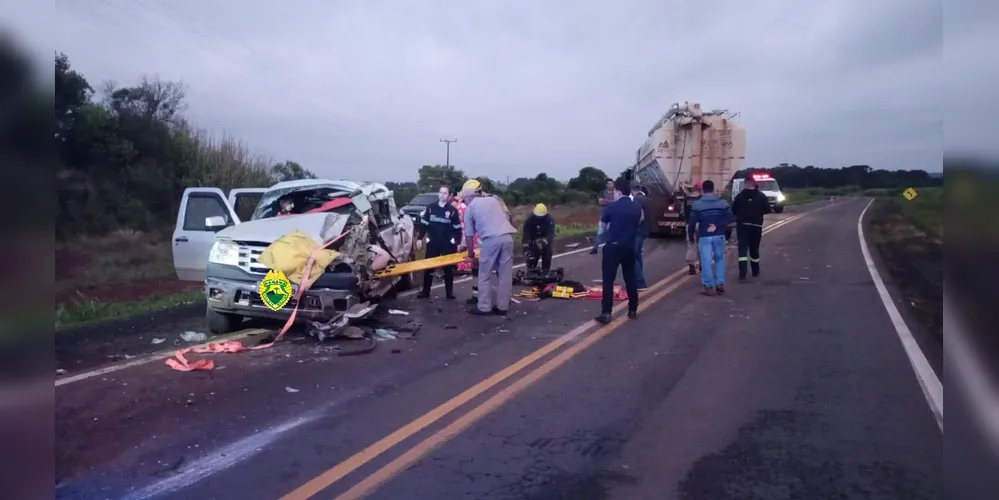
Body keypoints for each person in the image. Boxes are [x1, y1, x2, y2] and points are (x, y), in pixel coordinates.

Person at [461, 179, 517, 316]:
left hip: (490, 240)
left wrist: (470, 255)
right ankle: (502, 307)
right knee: (504, 275)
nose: (465, 202)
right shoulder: (494, 200)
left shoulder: (471, 208)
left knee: (484, 275)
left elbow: (469, 235)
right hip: (508, 238)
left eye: (464, 199)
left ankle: (484, 307)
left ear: (468, 196)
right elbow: (508, 217)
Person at [594, 179, 642, 324]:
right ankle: (633, 309)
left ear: (618, 192)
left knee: (608, 280)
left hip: (613, 247)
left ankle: (606, 312)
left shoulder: (612, 207)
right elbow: (640, 221)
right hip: (629, 246)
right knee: (630, 278)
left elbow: (602, 226)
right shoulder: (636, 207)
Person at [687, 179, 733, 296]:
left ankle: (708, 286)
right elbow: (730, 218)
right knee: (719, 259)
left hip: (704, 236)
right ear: (713, 190)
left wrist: (691, 237)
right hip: (719, 235)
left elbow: (692, 223)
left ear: (702, 190)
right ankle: (720, 283)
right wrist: (717, 225)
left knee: (706, 260)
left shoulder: (697, 205)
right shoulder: (723, 203)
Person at [415, 186, 462, 299]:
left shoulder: (452, 211)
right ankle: (425, 291)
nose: (442, 195)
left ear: (449, 195)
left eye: (445, 193)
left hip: (447, 244)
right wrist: (420, 238)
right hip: (433, 243)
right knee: (429, 268)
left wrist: (457, 241)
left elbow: (457, 228)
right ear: (438, 194)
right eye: (440, 193)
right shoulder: (431, 208)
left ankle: (449, 293)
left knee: (448, 269)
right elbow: (424, 224)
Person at [731, 175, 771, 281]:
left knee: (742, 250)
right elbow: (768, 209)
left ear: (745, 184)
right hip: (756, 226)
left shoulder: (739, 196)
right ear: (754, 184)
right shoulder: (761, 196)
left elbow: (733, 210)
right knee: (754, 249)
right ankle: (755, 271)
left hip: (743, 226)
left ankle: (742, 274)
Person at [589, 179, 622, 254]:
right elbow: (601, 202)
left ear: (614, 185)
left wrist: (607, 201)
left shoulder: (618, 192)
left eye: (611, 184)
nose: (610, 185)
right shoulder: (602, 193)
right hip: (604, 216)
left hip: (614, 216)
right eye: (608, 184)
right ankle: (595, 248)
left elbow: (619, 203)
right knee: (600, 233)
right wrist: (613, 202)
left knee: (610, 233)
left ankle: (610, 248)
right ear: (606, 185)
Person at [521, 203, 555, 273]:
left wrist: (545, 241)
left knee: (547, 253)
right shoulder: (529, 220)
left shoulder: (549, 219)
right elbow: (526, 234)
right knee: (532, 255)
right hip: (533, 239)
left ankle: (546, 271)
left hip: (544, 238)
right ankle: (531, 270)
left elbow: (550, 233)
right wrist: (526, 247)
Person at [629, 180, 650, 290]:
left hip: (637, 231)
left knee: (632, 257)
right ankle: (638, 280)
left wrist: (632, 225)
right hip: (644, 230)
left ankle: (640, 283)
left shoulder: (636, 200)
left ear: (632, 190)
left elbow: (640, 216)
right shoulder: (645, 199)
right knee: (637, 255)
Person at [684, 183, 703, 275]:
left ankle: (691, 267)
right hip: (701, 224)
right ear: (700, 190)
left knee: (691, 245)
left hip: (690, 224)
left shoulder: (687, 199)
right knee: (702, 246)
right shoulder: (702, 199)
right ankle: (702, 266)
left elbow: (682, 212)